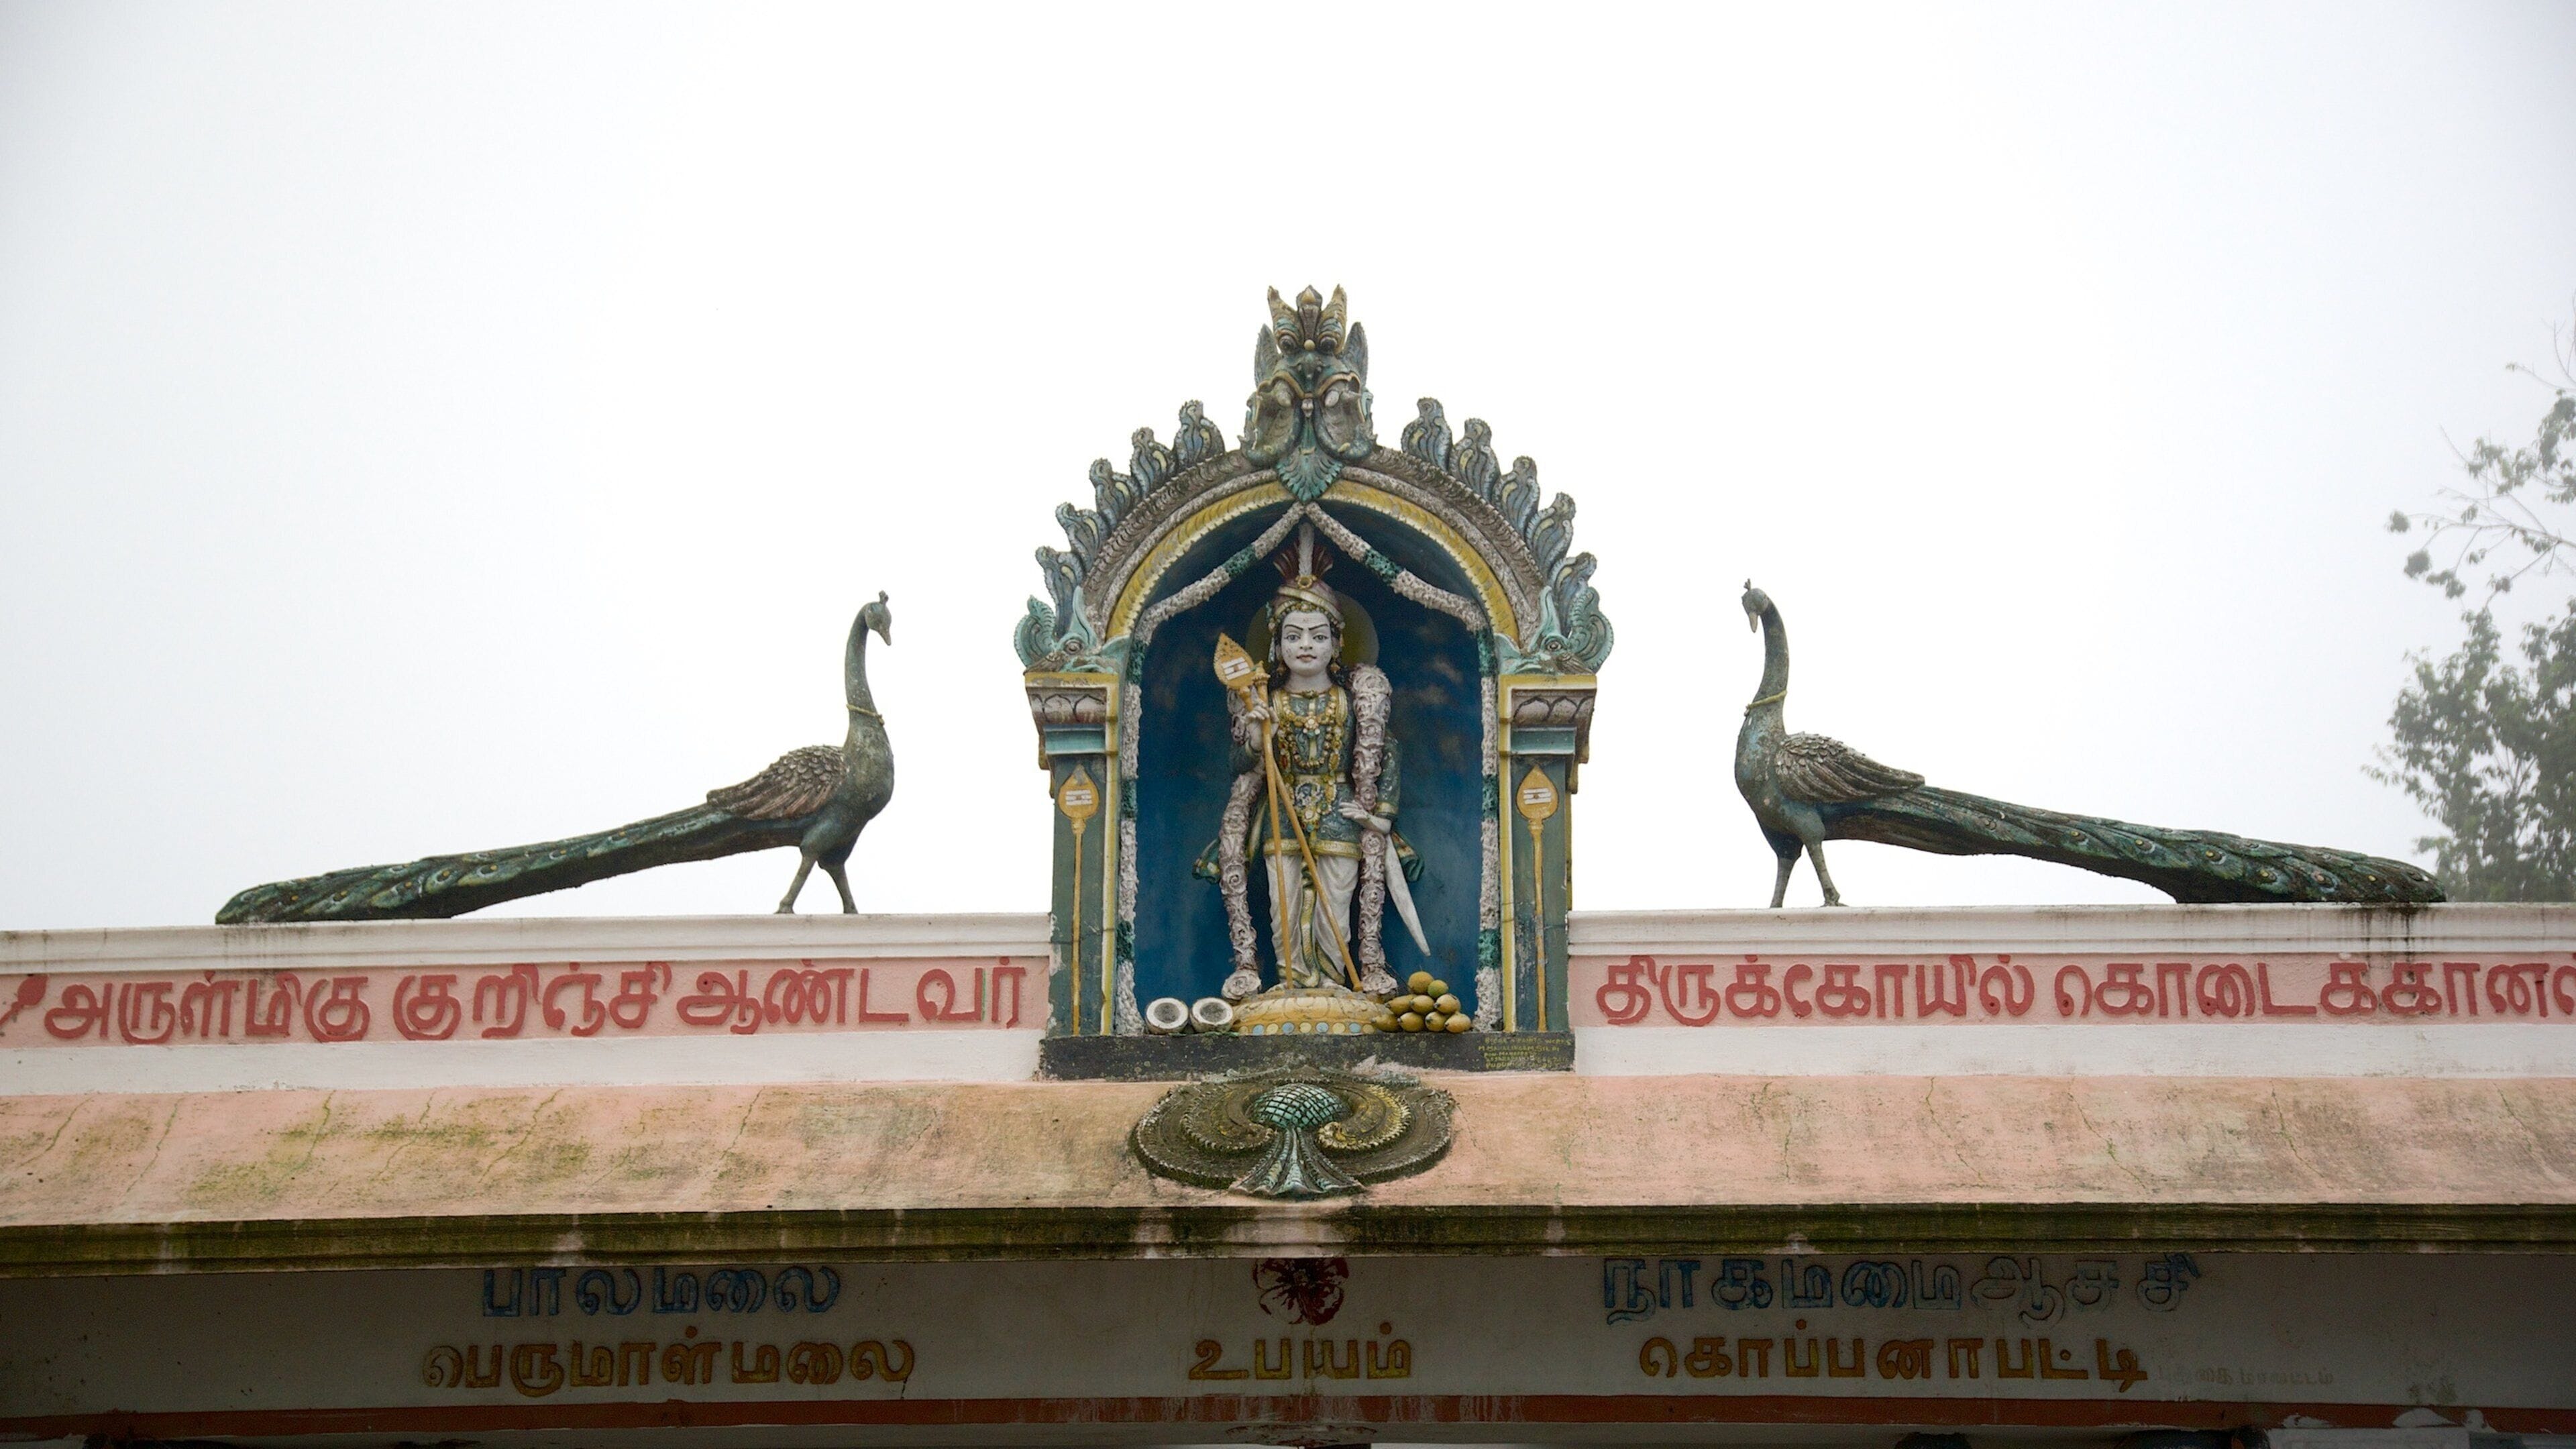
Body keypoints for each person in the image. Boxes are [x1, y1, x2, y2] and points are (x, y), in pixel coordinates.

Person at [1200, 541, 1428, 1003]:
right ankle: (1290, 984)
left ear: (1338, 644)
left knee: (1336, 909)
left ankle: (1332, 985)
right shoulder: (1266, 702)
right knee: (1284, 909)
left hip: (1340, 811)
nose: (1306, 646)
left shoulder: (1353, 700)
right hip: (1281, 814)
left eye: (1318, 636)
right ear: (1277, 644)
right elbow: (1238, 765)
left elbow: (1388, 754)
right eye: (1294, 636)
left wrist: (1378, 815)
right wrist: (1256, 735)